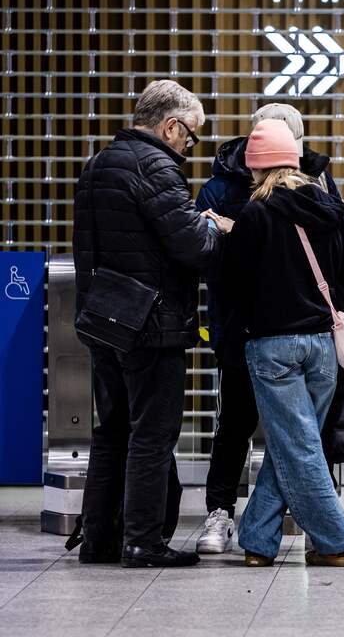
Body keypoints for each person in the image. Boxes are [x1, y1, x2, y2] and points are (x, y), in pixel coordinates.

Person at [72, 79, 229, 568]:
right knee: (153, 435)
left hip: (102, 317)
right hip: (151, 323)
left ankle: (98, 539)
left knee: (111, 431)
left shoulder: (98, 163)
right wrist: (213, 226)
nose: (189, 146)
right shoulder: (157, 167)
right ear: (171, 126)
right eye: (191, 136)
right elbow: (193, 247)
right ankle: (143, 541)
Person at [193, 102, 340, 554]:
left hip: (279, 329)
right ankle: (227, 514)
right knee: (245, 424)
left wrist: (237, 233)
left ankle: (298, 524)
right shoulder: (222, 187)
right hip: (255, 329)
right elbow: (208, 261)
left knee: (300, 435)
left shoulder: (318, 184)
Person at [221, 119, 344, 567]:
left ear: (255, 167)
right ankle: (258, 541)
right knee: (296, 445)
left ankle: (336, 542)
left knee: (297, 447)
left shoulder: (254, 214)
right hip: (323, 346)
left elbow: (233, 282)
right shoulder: (331, 209)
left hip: (273, 347)